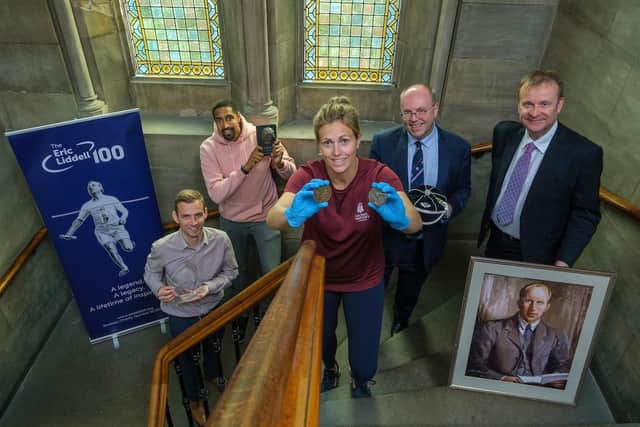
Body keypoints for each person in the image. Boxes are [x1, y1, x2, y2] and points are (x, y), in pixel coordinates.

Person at [266, 97, 422, 398]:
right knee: (321, 342)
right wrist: (293, 212)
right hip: (319, 278)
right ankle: (330, 368)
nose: (336, 152)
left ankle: (360, 380)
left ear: (358, 139)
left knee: (364, 355)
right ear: (318, 145)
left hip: (364, 277)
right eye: (327, 143)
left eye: (344, 140)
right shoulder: (310, 176)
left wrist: (400, 217)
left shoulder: (377, 176)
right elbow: (274, 218)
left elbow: (415, 223)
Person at [370, 84, 471, 335]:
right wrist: (387, 209)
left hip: (427, 237)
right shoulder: (383, 143)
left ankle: (401, 320)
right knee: (374, 284)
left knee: (411, 286)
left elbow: (463, 189)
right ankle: (368, 318)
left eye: (421, 111)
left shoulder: (458, 148)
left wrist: (448, 210)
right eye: (407, 112)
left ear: (435, 110)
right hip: (388, 235)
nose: (414, 119)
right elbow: (372, 190)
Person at [478, 70, 603, 267]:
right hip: (494, 240)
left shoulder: (584, 154)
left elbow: (586, 214)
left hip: (537, 254)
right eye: (527, 104)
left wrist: (563, 261)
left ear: (559, 105)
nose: (535, 113)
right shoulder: (504, 133)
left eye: (544, 104)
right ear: (518, 105)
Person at [144, 189, 238, 426]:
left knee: (213, 347)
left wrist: (211, 286)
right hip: (180, 314)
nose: (193, 222)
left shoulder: (221, 239)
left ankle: (214, 375)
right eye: (186, 216)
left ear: (206, 213)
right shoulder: (161, 247)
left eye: (198, 215)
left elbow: (231, 271)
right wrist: (158, 289)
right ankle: (195, 400)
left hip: (214, 307)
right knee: (185, 359)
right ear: (176, 217)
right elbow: (151, 273)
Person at [200, 99, 296, 331]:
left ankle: (267, 320)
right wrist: (244, 168)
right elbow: (216, 194)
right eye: (219, 120)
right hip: (232, 221)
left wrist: (280, 162)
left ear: (239, 116)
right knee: (238, 274)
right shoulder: (208, 148)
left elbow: (292, 175)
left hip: (266, 217)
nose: (225, 125)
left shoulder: (261, 135)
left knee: (270, 275)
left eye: (229, 118)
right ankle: (240, 315)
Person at [466, 282, 571, 386]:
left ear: (547, 307)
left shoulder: (557, 335)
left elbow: (562, 366)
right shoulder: (491, 328)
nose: (533, 307)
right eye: (528, 301)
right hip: (500, 387)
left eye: (540, 302)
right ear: (519, 302)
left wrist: (556, 379)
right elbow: (475, 364)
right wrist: (501, 378)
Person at [59, 180, 134, 277]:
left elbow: (124, 211)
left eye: (93, 185)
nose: (90, 188)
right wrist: (69, 233)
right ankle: (124, 267)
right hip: (102, 232)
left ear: (100, 187)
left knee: (128, 248)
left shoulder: (111, 199)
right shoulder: (87, 206)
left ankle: (130, 244)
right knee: (111, 249)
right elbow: (79, 220)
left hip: (117, 228)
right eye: (89, 187)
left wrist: (123, 218)